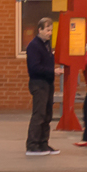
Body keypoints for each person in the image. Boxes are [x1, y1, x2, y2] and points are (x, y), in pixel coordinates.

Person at [26, 17, 63, 156]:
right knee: (39, 114)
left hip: (48, 83)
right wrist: (52, 71)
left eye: (51, 30)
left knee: (47, 115)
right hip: (38, 84)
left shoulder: (47, 45)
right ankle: (32, 145)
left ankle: (43, 143)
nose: (50, 33)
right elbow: (34, 68)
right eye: (47, 30)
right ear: (39, 30)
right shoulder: (34, 46)